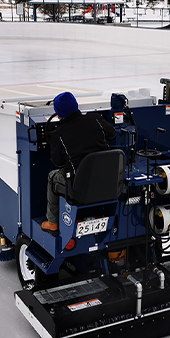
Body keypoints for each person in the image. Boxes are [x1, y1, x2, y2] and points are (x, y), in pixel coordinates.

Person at [41, 92, 116, 235]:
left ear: (58, 113)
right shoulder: (95, 119)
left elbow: (57, 162)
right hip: (106, 181)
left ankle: (52, 222)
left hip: (78, 187)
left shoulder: (59, 134)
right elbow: (112, 134)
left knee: (52, 176)